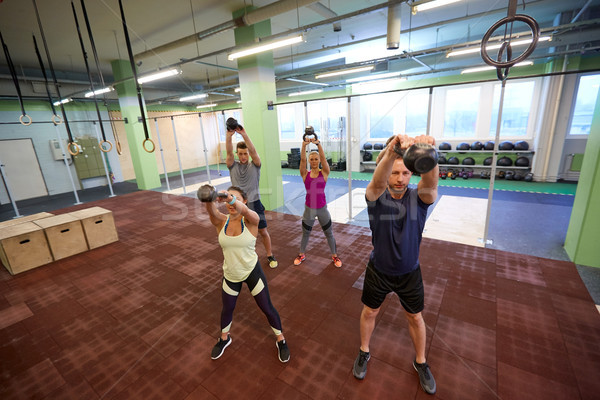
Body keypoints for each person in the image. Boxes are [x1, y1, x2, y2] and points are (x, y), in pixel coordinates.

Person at [352, 134, 439, 395]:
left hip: (409, 272)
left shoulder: (419, 199)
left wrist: (429, 153)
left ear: (412, 174)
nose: (400, 178)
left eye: (405, 173)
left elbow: (432, 184)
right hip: (379, 270)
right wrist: (392, 151)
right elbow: (376, 183)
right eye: (395, 173)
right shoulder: (376, 198)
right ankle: (364, 351)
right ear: (387, 172)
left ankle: (421, 362)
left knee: (415, 317)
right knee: (370, 312)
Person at [203, 185, 290, 363]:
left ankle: (281, 339)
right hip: (231, 275)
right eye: (227, 199)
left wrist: (229, 198)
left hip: (252, 272)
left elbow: (248, 213)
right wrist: (208, 197)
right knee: (227, 309)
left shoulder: (251, 220)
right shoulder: (222, 221)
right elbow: (212, 212)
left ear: (243, 201)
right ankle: (224, 338)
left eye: (234, 198)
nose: (230, 203)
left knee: (267, 308)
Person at [226, 118, 278, 268]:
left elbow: (254, 151)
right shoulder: (232, 165)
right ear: (237, 154)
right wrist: (229, 136)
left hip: (254, 203)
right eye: (240, 154)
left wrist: (244, 134)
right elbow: (228, 152)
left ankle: (270, 255)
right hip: (237, 205)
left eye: (245, 154)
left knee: (262, 232)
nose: (243, 157)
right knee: (238, 233)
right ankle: (242, 259)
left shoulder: (255, 165)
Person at [293, 132, 342, 268]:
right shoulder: (305, 174)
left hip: (322, 209)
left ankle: (335, 256)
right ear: (309, 161)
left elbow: (325, 160)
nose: (314, 161)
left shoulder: (324, 173)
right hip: (309, 208)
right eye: (312, 159)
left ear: (318, 160)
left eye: (316, 159)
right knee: (305, 233)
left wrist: (318, 144)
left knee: (329, 233)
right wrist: (304, 146)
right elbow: (302, 161)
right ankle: (301, 254)